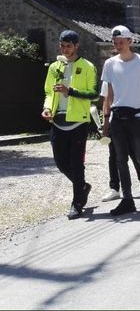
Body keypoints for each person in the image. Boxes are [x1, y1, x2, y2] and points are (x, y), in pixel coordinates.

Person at [101, 25, 140, 216]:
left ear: (130, 41)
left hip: (138, 116)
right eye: (115, 42)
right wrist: (106, 120)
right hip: (118, 116)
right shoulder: (109, 64)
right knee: (120, 159)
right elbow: (109, 94)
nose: (118, 45)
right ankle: (127, 199)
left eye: (121, 42)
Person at [41, 30, 98, 220]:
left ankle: (77, 202)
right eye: (62, 46)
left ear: (76, 46)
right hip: (57, 121)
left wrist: (70, 91)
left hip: (78, 122)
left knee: (77, 164)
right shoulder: (54, 67)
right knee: (60, 162)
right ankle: (82, 187)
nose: (65, 49)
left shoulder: (88, 66)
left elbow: (94, 95)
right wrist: (48, 108)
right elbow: (49, 93)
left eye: (69, 46)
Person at [100, 81, 140, 202]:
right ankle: (115, 189)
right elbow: (106, 101)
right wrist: (105, 124)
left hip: (131, 119)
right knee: (113, 156)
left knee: (134, 152)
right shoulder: (108, 78)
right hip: (114, 122)